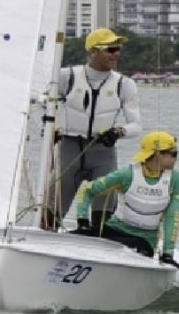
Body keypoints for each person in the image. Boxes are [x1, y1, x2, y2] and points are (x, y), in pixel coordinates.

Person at [53, 27, 142, 225]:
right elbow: (41, 101)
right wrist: (50, 129)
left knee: (102, 219)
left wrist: (119, 132)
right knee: (50, 213)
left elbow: (136, 126)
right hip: (69, 148)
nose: (116, 54)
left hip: (102, 152)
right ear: (93, 51)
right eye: (110, 49)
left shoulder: (125, 84)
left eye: (118, 49)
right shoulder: (66, 76)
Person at [73, 130, 179, 267]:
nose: (176, 159)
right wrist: (82, 220)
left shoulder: (176, 179)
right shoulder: (127, 175)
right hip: (113, 231)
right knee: (74, 237)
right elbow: (87, 190)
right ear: (157, 155)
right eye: (173, 154)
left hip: (144, 241)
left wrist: (168, 253)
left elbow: (173, 216)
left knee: (134, 246)